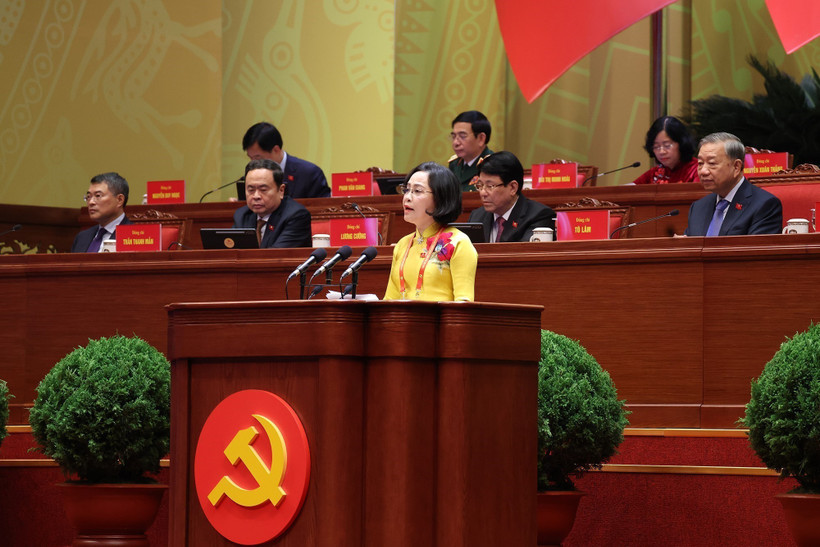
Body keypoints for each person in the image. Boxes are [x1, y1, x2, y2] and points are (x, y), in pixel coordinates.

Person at [384, 162, 478, 301]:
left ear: (440, 198)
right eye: (407, 190)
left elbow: (463, 304)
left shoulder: (458, 242)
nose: (407, 197)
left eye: (417, 191)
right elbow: (389, 300)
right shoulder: (402, 244)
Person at [684, 132, 782, 236]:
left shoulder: (764, 205)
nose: (703, 171)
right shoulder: (698, 207)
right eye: (700, 163)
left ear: (736, 167)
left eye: (712, 163)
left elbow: (755, 251)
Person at [468, 151, 556, 242]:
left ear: (513, 188)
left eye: (490, 186)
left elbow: (523, 254)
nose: (483, 193)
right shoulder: (477, 217)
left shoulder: (538, 216)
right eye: (480, 185)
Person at [232, 159, 312, 248]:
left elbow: (274, 256)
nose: (256, 196)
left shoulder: (296, 216)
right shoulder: (242, 215)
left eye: (263, 190)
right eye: (251, 190)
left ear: (281, 190)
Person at [242, 122, 331, 199]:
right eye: (250, 158)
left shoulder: (309, 173)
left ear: (276, 150)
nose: (254, 163)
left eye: (258, 158)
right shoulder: (252, 174)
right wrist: (237, 205)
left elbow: (323, 209)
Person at [71, 172, 132, 253]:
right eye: (88, 197)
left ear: (119, 200)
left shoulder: (134, 237)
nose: (91, 202)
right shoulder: (82, 238)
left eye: (98, 196)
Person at [632, 116, 699, 185]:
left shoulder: (697, 170)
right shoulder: (655, 173)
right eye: (656, 147)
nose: (661, 152)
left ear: (681, 143)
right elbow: (628, 190)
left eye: (667, 146)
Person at [448, 110, 493, 191]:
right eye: (454, 136)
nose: (455, 143)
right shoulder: (454, 164)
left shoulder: (494, 165)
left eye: (462, 136)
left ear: (481, 139)